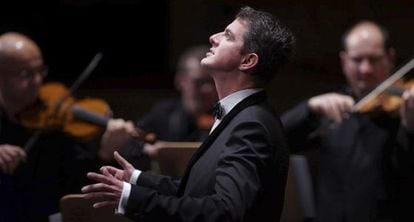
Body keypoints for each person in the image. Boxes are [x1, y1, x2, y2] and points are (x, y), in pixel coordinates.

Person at [81, 6, 295, 222]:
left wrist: (130, 197)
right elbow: (198, 190)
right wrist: (136, 179)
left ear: (247, 61)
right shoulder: (242, 116)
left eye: (228, 36)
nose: (214, 38)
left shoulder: (251, 124)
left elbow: (224, 211)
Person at [281, 21, 414, 222]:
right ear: (344, 61)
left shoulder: (404, 110)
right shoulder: (331, 109)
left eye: (375, 59)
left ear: (390, 58)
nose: (366, 69)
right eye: (357, 59)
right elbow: (276, 139)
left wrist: (410, 128)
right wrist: (308, 107)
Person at [0, 32, 101, 221]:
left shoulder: (54, 124)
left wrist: (105, 154)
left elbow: (80, 182)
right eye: (25, 74)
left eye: (40, 71)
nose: (37, 81)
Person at [98, 45, 218, 168]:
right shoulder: (163, 113)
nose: (208, 89)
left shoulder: (224, 115)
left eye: (212, 81)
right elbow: (132, 144)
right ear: (180, 80)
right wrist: (147, 151)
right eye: (199, 82)